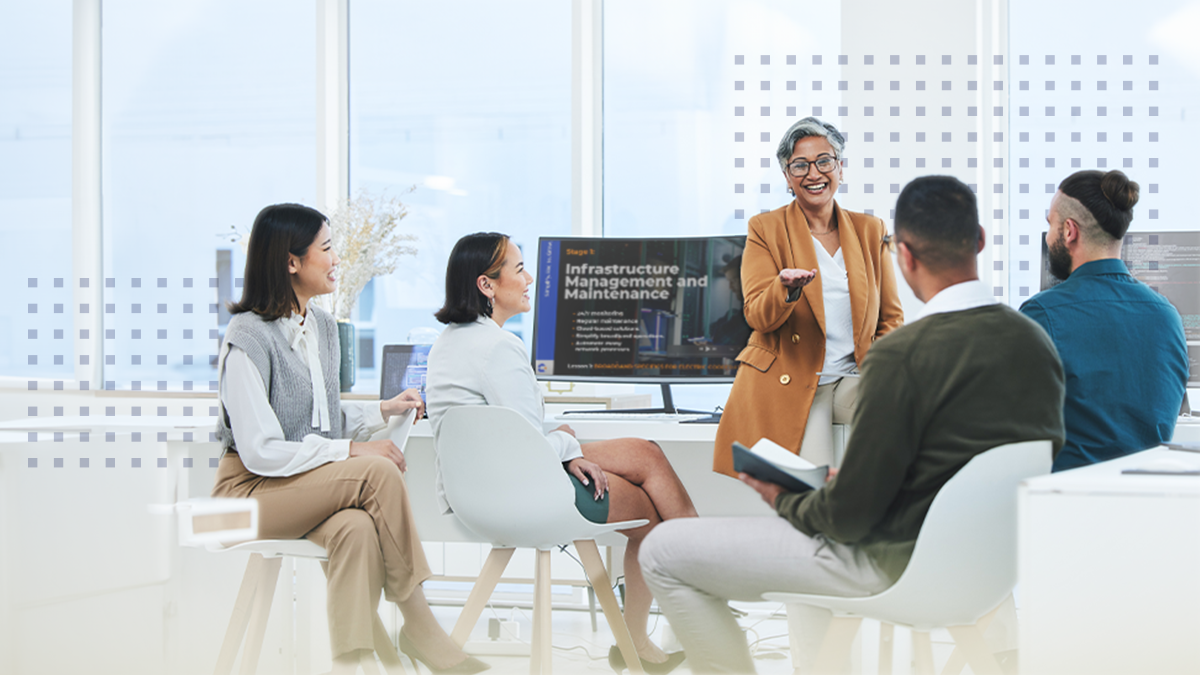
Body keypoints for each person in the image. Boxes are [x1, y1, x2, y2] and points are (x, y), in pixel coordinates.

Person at [639, 176, 1066, 674]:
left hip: (890, 563)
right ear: (980, 239)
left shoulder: (903, 356)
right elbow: (965, 467)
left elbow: (846, 521)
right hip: (988, 572)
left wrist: (787, 498)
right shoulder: (1035, 343)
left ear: (902, 256)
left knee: (664, 551)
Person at [212, 204, 487, 675]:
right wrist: (354, 449)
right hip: (246, 495)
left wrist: (381, 411)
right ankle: (421, 628)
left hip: (294, 485)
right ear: (291, 262)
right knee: (377, 471)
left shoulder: (320, 326)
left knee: (356, 530)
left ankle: (360, 662)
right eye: (327, 248)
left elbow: (318, 420)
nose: (337, 258)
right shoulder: (247, 337)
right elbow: (261, 450)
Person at [426, 232, 698, 674]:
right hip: (526, 492)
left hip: (479, 493)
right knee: (650, 512)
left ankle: (667, 612)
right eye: (518, 269)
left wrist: (565, 444)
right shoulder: (498, 346)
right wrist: (565, 444)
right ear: (487, 286)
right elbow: (530, 442)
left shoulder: (448, 343)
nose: (530, 277)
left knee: (644, 454)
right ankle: (683, 604)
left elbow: (515, 430)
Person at [714, 117, 903, 473]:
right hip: (800, 382)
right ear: (788, 177)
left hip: (853, 378)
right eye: (800, 165)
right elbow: (756, 315)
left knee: (919, 417)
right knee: (814, 490)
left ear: (839, 168)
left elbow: (890, 318)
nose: (814, 173)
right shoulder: (765, 229)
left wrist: (882, 370)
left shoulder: (870, 230)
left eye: (824, 161)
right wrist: (784, 290)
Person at [1021, 170, 1189, 472]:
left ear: (1069, 231)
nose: (1048, 237)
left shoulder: (1042, 314)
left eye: (1050, 224)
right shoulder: (1168, 316)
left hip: (1065, 505)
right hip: (1147, 506)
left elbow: (1011, 424)